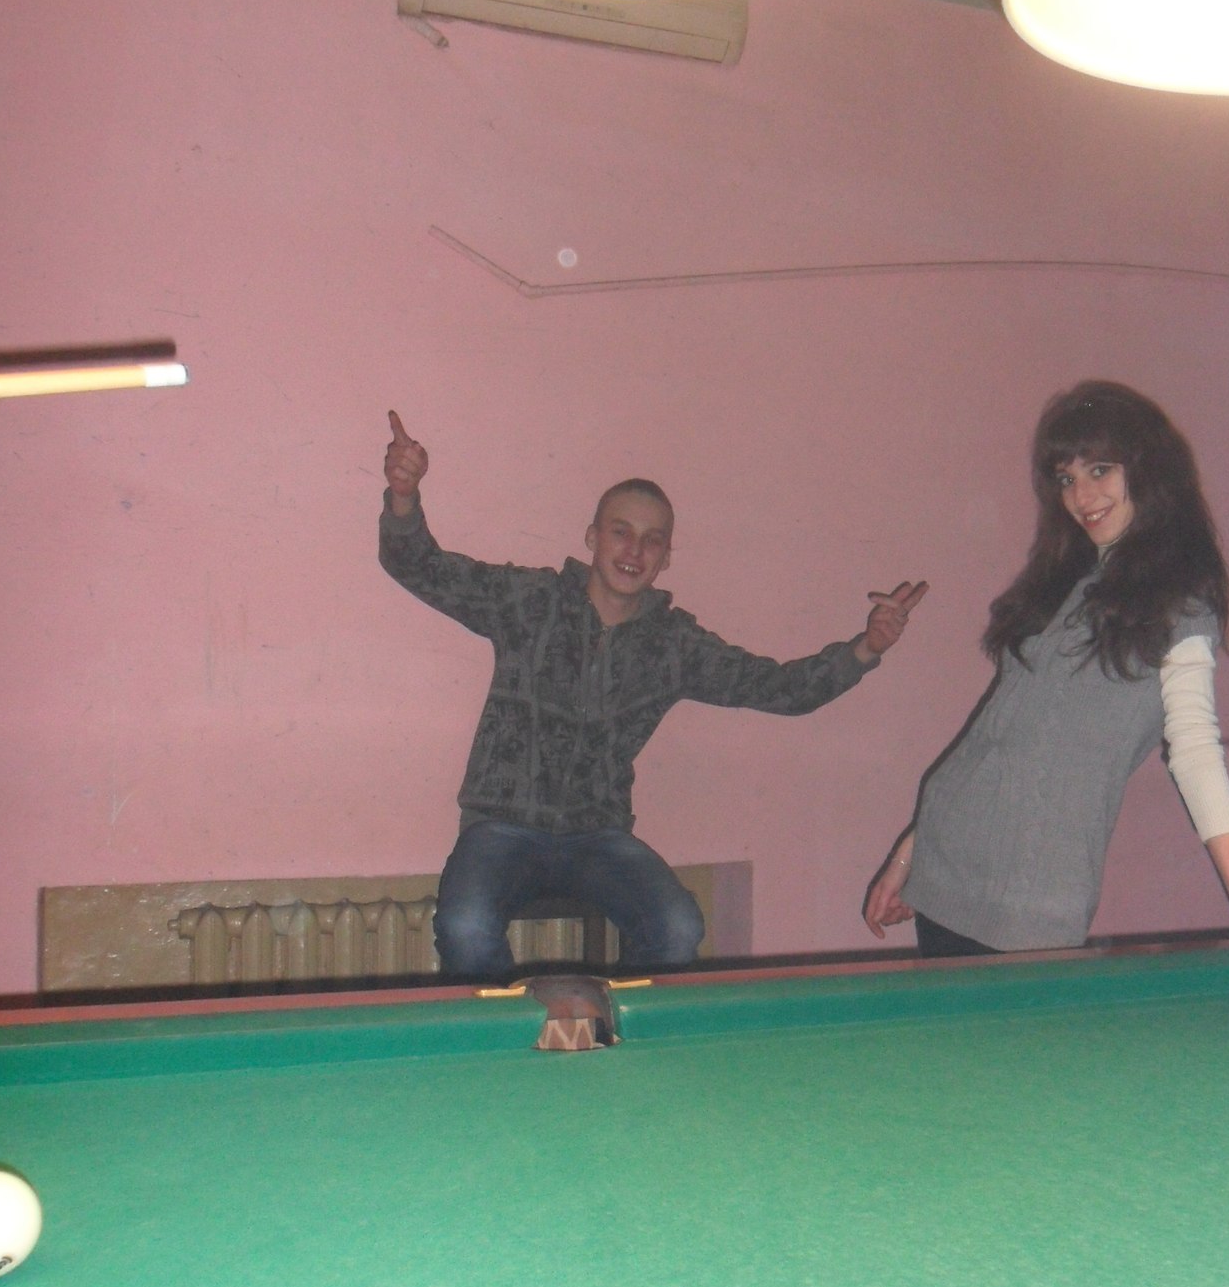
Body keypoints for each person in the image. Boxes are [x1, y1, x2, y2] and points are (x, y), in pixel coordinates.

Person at [381, 412, 925, 976]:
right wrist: (404, 495)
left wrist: (866, 648)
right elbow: (419, 567)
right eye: (621, 532)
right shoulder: (531, 602)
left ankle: (622, 1025)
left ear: (666, 557)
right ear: (593, 538)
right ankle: (511, 1030)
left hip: (598, 837)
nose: (634, 550)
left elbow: (781, 689)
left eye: (652, 540)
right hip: (500, 827)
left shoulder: (673, 643)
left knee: (678, 927)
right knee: (464, 927)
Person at [863, 380, 1229, 956]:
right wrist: (907, 857)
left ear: (1148, 470)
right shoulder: (1068, 582)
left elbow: (1194, 748)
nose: (1081, 496)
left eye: (1100, 470)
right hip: (944, 864)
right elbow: (997, 737)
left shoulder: (1180, 601)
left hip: (1031, 897)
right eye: (1066, 478)